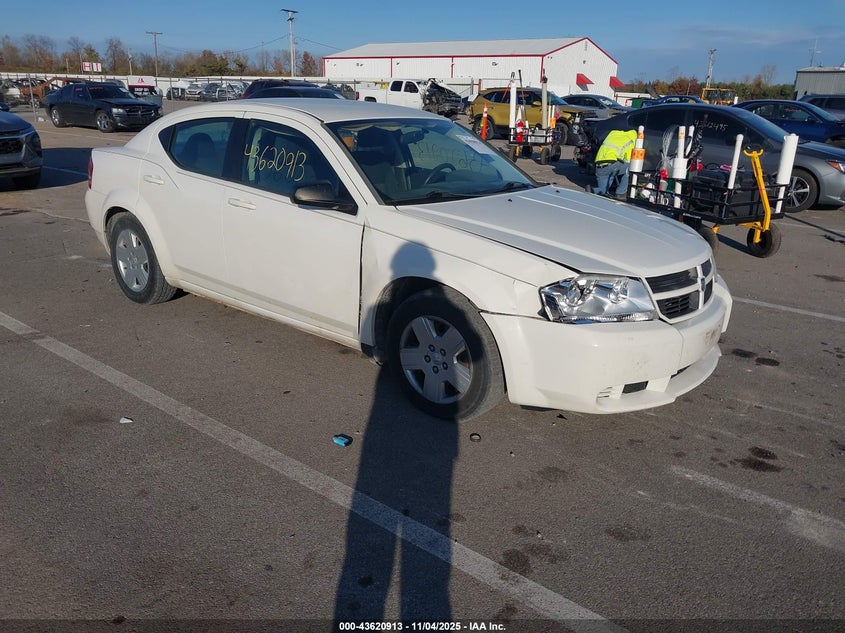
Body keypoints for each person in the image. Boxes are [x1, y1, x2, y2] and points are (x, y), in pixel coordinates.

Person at [593, 128, 637, 199]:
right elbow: (628, 161)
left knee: (602, 191)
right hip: (611, 165)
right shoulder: (631, 141)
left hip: (599, 165)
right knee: (631, 168)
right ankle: (620, 193)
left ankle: (592, 190)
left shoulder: (613, 134)